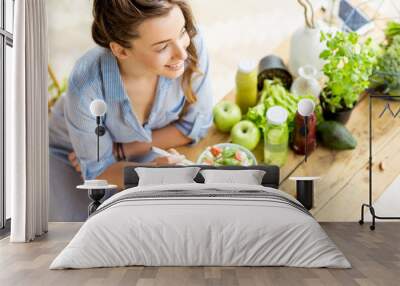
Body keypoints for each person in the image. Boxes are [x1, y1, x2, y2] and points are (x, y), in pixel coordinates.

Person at [48, 0, 214, 222]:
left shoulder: (190, 44)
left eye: (182, 30)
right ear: (120, 50)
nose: (182, 54)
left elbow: (196, 125)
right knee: (87, 226)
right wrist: (151, 173)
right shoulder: (86, 86)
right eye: (162, 46)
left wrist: (124, 150)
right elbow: (99, 171)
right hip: (69, 153)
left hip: (129, 152)